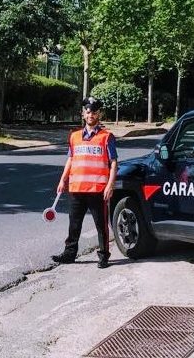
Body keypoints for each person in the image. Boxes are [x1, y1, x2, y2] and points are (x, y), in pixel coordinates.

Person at [51, 97, 118, 269]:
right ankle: (69, 253)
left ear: (99, 114)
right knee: (74, 224)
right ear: (83, 114)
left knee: (101, 225)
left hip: (98, 190)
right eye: (88, 112)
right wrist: (62, 180)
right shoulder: (74, 137)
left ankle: (103, 256)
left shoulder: (107, 137)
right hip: (77, 189)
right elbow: (70, 159)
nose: (91, 115)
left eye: (94, 112)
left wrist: (110, 185)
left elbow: (113, 163)